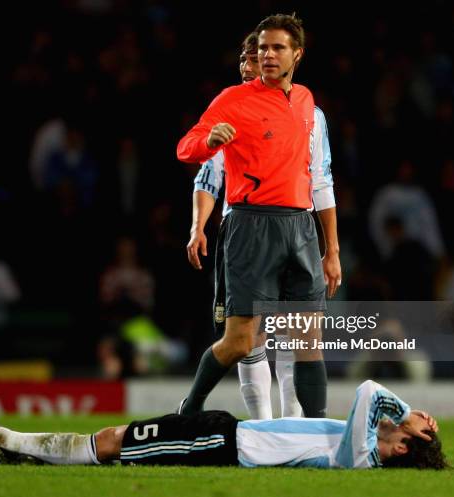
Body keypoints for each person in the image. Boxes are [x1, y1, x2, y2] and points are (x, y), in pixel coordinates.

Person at [177, 14, 342, 418]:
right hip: (251, 225)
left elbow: (320, 180)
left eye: (277, 48)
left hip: (301, 228)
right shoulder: (234, 99)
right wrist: (208, 140)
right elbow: (188, 147)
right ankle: (190, 408)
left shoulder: (306, 102)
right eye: (263, 48)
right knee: (241, 341)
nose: (267, 55)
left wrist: (331, 249)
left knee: (307, 338)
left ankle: (314, 430)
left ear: (296, 54)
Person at [0, 380, 445, 469]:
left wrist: (404, 413)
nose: (409, 420)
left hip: (219, 445)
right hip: (222, 429)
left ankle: (2, 435)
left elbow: (368, 391)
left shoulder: (361, 457)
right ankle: (15, 453)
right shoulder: (361, 448)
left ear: (401, 448)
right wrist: (408, 421)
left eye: (411, 432)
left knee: (112, 443)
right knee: (115, 441)